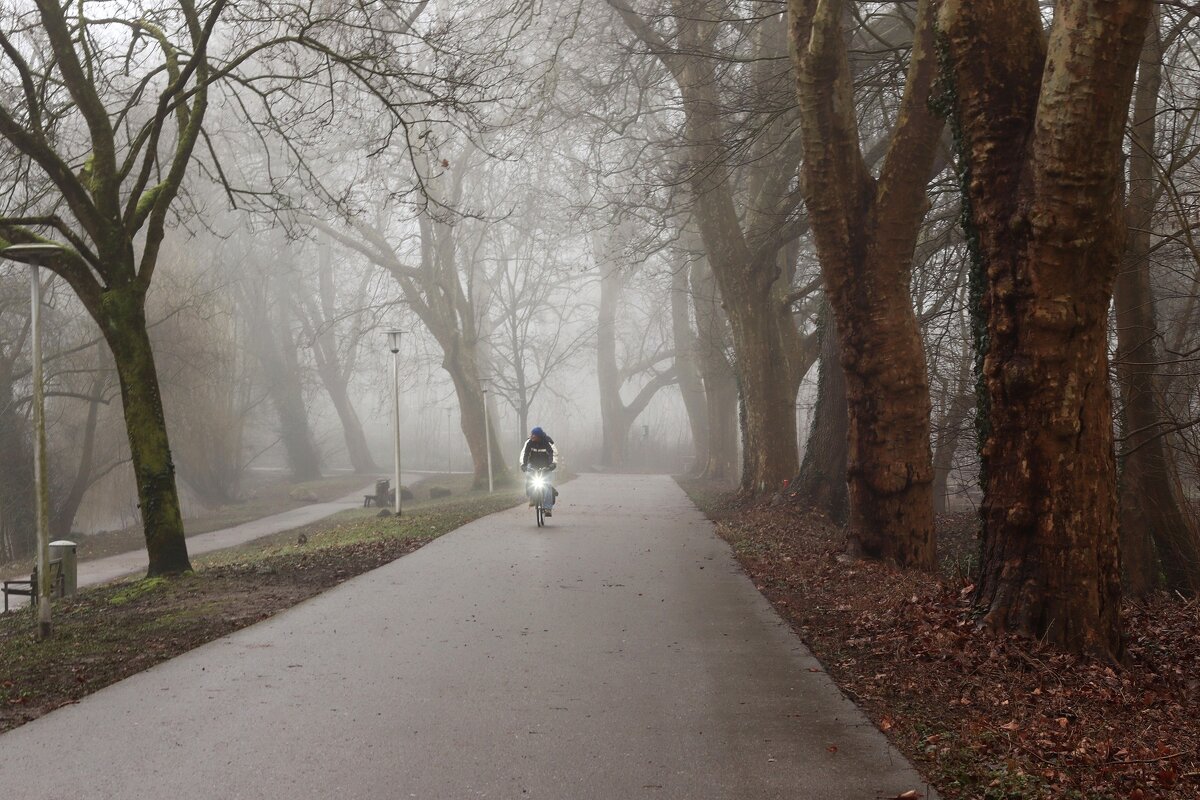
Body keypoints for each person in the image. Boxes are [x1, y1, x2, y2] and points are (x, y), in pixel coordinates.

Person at [519, 426, 558, 516]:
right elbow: (524, 454)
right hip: (533, 465)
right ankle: (532, 497)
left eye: (533, 435)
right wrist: (523, 465)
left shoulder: (548, 442)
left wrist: (552, 464)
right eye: (531, 434)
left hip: (546, 466)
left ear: (539, 436)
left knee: (547, 485)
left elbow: (554, 454)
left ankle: (548, 508)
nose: (531, 436)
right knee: (528, 476)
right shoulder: (529, 442)